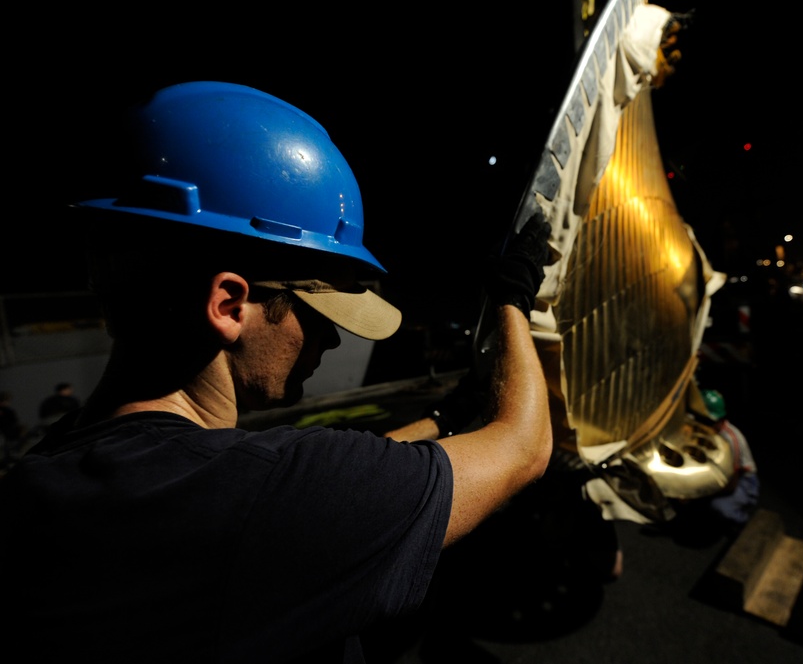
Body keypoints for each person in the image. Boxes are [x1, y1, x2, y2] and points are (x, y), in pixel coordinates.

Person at [0, 81, 553, 663]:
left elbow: (305, 490)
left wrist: (441, 419)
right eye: (319, 313)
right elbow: (522, 448)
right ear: (229, 305)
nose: (334, 336)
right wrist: (511, 299)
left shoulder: (40, 484)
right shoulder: (265, 498)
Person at [700, 389, 759, 529]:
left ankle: (745, 525)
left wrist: (702, 492)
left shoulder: (731, 439)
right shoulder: (709, 430)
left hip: (743, 481)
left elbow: (732, 484)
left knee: (720, 507)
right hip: (720, 471)